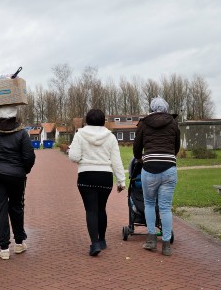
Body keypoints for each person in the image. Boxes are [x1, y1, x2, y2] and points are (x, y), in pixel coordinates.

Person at [0, 105, 36, 260]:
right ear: (14, 115)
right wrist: (23, 171)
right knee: (16, 206)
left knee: (0, 208)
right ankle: (18, 243)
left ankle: (3, 248)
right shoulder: (21, 133)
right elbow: (29, 157)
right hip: (16, 175)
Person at [68, 109, 126, 256]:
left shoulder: (80, 135)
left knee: (91, 210)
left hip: (86, 176)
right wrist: (121, 181)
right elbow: (116, 161)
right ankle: (102, 240)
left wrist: (84, 160)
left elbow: (74, 156)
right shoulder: (110, 137)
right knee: (101, 208)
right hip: (105, 177)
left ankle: (94, 244)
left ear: (87, 120)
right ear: (103, 120)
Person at [133, 96, 180, 256]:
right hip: (169, 168)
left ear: (152, 109)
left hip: (150, 168)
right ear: (166, 109)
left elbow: (137, 148)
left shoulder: (144, 123)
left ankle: (151, 240)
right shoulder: (173, 123)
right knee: (165, 207)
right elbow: (176, 146)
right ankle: (166, 245)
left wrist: (140, 158)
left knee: (150, 204)